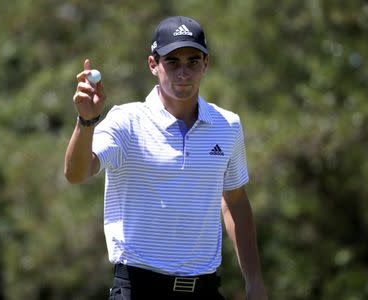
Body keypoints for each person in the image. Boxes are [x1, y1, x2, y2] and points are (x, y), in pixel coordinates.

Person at [64, 16, 267, 300]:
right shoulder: (126, 121)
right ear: (153, 64)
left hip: (205, 290)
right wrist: (86, 122)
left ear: (205, 63)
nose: (183, 72)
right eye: (172, 62)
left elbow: (235, 201)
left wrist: (254, 282)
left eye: (193, 61)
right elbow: (77, 173)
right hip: (137, 289)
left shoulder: (227, 125)